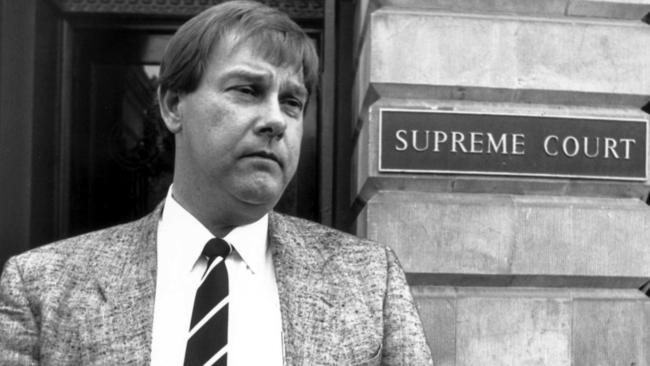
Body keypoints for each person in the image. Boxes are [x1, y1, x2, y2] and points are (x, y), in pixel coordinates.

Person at [0, 1, 433, 365]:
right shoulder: (42, 286)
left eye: (292, 102)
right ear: (173, 106)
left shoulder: (371, 280)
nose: (275, 121)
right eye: (246, 90)